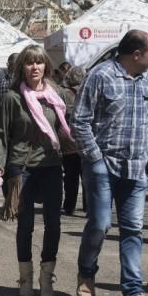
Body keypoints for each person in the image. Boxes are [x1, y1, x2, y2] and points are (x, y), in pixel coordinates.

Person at [73, 30, 148, 296]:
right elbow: (80, 120)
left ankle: (133, 292)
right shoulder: (101, 75)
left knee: (133, 229)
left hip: (136, 168)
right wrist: (96, 158)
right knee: (100, 224)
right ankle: (86, 275)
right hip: (103, 165)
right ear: (136, 54)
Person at [0, 45, 74, 296]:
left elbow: (67, 126)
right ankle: (25, 278)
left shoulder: (56, 95)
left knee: (54, 224)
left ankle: (46, 278)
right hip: (21, 168)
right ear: (21, 68)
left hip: (50, 165)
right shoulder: (12, 98)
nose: (34, 67)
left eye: (39, 62)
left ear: (46, 66)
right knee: (25, 225)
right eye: (29, 63)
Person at [61, 66, 88, 216]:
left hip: (68, 139)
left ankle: (69, 205)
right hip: (85, 139)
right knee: (87, 176)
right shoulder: (88, 91)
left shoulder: (63, 93)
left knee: (70, 176)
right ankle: (88, 206)